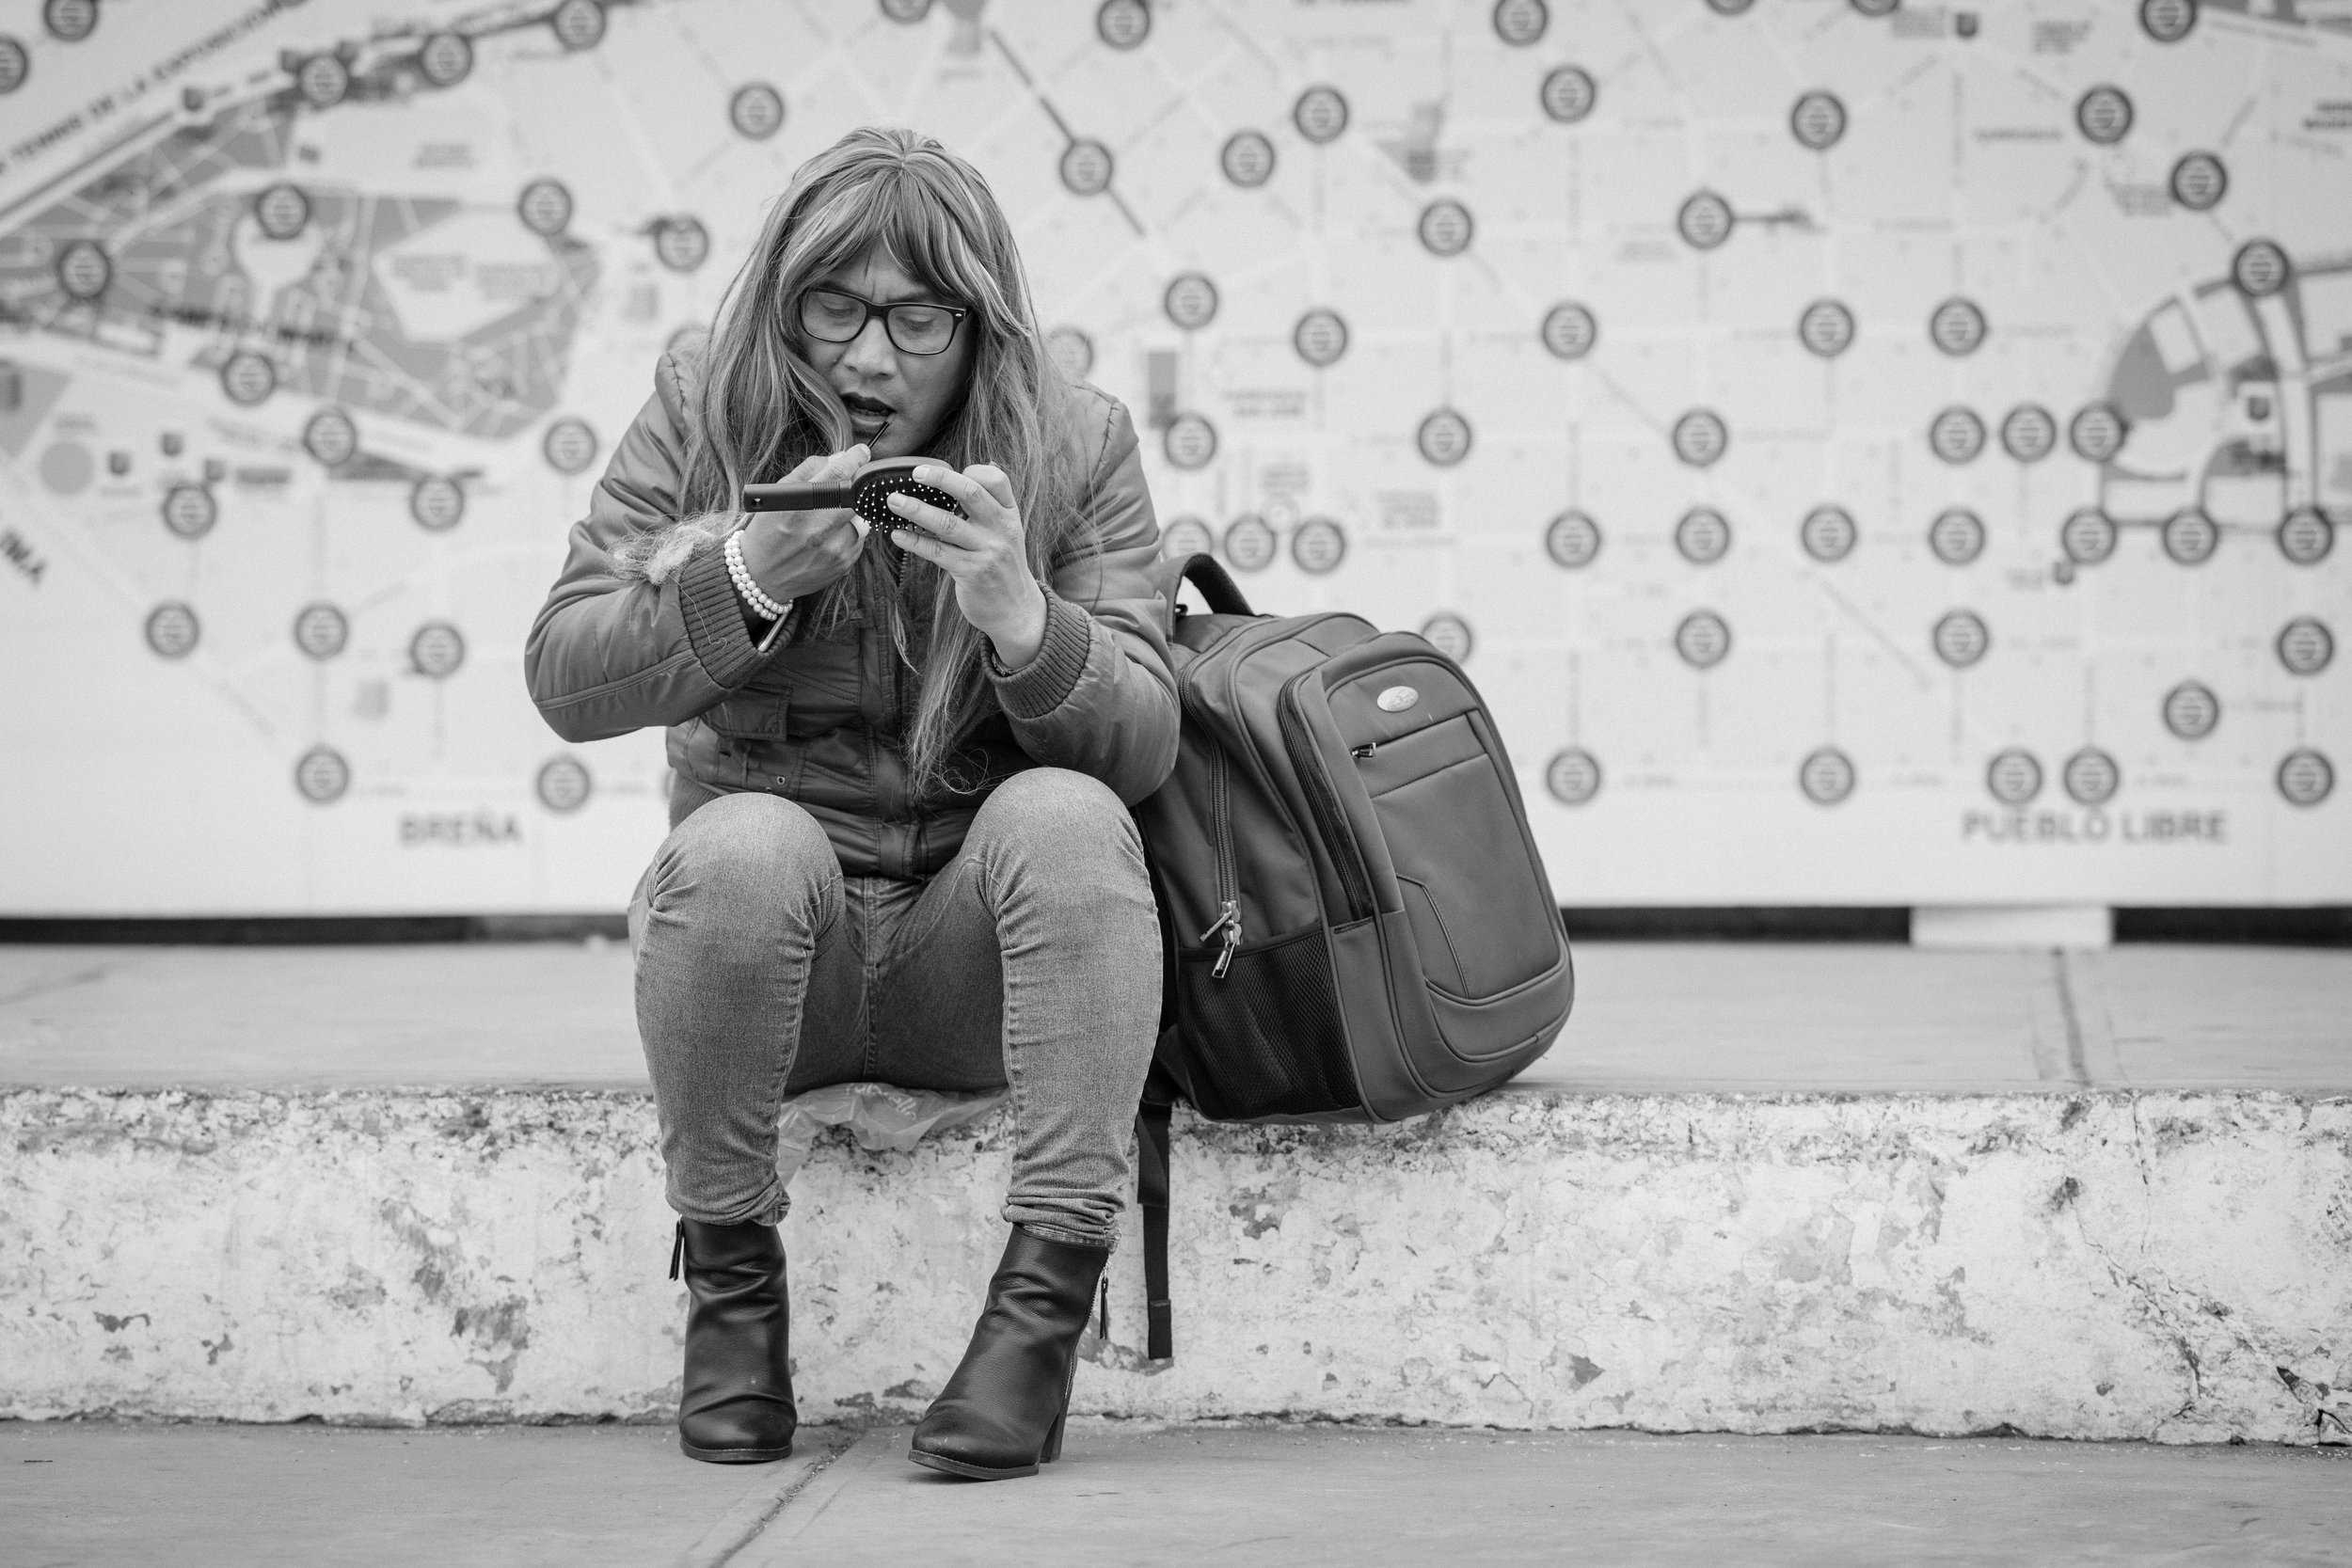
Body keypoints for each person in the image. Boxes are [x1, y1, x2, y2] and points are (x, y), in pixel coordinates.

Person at [524, 125, 1177, 1481]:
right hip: (772, 971)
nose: (868, 359)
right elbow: (566, 673)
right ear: (783, 303)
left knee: (1067, 816)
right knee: (743, 841)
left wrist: (1021, 616)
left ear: (981, 325)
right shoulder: (708, 410)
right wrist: (750, 575)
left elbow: (1146, 744)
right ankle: (732, 1301)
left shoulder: (1075, 442)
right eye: (833, 308)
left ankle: (1037, 1324)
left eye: (916, 317)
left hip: (975, 977)